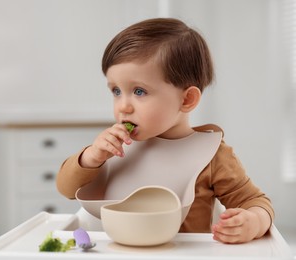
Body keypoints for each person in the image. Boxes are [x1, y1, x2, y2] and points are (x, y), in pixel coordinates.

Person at [56, 18, 274, 244]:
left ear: (187, 99)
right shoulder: (111, 147)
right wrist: (91, 157)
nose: (123, 106)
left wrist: (254, 221)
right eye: (116, 91)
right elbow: (66, 189)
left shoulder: (213, 156)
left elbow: (255, 201)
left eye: (139, 91)